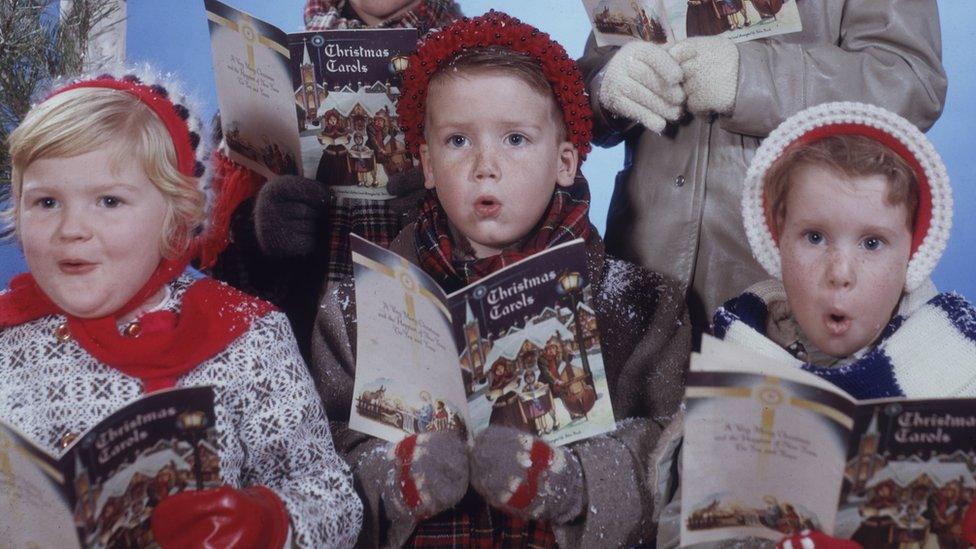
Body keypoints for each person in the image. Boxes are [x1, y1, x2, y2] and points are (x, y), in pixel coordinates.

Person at [311, 12, 691, 547]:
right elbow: (321, 452)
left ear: (565, 161)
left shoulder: (645, 304)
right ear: (425, 163)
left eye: (515, 139)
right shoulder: (355, 307)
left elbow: (671, 455)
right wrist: (397, 477)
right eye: (458, 141)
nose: (485, 166)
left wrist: (573, 482)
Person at [0, 68, 362, 547]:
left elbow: (329, 490)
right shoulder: (9, 338)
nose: (71, 229)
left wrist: (264, 523)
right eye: (46, 202)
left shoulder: (247, 336)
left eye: (108, 201)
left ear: (178, 215)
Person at [577, 1, 947, 340]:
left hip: (790, 284)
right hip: (637, 260)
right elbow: (585, 104)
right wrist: (606, 85)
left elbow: (910, 80)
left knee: (783, 412)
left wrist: (750, 78)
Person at [713, 101, 976, 399]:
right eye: (814, 237)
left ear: (911, 255)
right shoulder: (736, 345)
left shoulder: (962, 366)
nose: (840, 273)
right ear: (779, 239)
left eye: (872, 243)